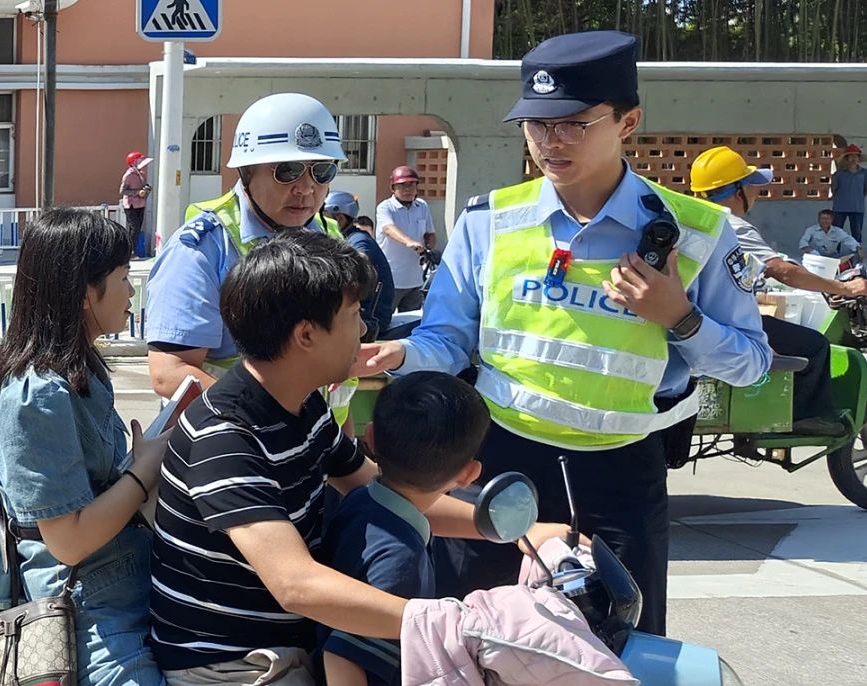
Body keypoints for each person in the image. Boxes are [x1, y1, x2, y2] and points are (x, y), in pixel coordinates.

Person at [352, 30, 771, 636]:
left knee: (620, 649)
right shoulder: (490, 221)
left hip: (621, 475)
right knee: (476, 644)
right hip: (497, 461)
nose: (552, 141)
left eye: (575, 124)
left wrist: (679, 317)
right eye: (537, 124)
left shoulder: (695, 232)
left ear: (628, 122)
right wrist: (398, 353)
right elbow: (449, 339)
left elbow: (752, 364)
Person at [149, 230, 569, 684]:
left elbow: (393, 491)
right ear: (306, 335)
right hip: (233, 663)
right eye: (353, 314)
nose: (365, 330)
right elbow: (295, 584)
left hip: (295, 638)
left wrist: (513, 528)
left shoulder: (302, 403)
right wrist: (456, 623)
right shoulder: (227, 437)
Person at [0, 208, 169, 686]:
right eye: (123, 277)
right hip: (91, 613)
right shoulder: (36, 396)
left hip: (129, 584)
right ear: (86, 292)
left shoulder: (80, 371)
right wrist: (143, 472)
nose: (132, 292)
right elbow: (68, 541)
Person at [143, 93, 356, 419]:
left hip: (318, 441)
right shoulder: (203, 248)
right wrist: (273, 422)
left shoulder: (329, 238)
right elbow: (169, 371)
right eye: (288, 171)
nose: (305, 188)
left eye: (322, 172)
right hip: (234, 441)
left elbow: (336, 391)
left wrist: (340, 444)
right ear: (246, 172)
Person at [319, 371, 486, 686]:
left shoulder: (358, 499)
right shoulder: (400, 558)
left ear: (370, 438)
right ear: (468, 475)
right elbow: (342, 656)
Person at [691, 146, 861, 436]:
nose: (756, 193)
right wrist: (843, 287)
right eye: (751, 185)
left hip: (697, 319)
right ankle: (805, 418)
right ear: (737, 191)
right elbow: (783, 271)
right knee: (814, 345)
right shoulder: (732, 225)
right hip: (726, 324)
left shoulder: (691, 219)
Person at [323, 190, 395, 340]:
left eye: (325, 217)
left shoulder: (358, 240)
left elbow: (360, 262)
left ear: (340, 218)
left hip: (372, 318)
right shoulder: (348, 237)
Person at [375, 166, 436, 312]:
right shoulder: (385, 207)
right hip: (391, 280)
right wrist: (409, 242)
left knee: (410, 321)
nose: (408, 189)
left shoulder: (422, 206)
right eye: (402, 186)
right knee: (383, 320)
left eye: (412, 185)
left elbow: (430, 233)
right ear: (393, 188)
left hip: (416, 280)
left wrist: (429, 247)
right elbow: (388, 229)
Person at [831, 144, 867, 242]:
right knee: (836, 233)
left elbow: (865, 190)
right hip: (840, 208)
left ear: (859, 158)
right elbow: (833, 189)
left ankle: (856, 251)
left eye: (856, 156)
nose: (853, 159)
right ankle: (835, 251)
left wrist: (857, 197)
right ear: (846, 158)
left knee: (857, 234)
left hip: (857, 208)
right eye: (851, 156)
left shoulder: (864, 173)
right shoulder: (838, 174)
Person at [120, 151, 154, 256]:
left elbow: (144, 187)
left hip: (140, 204)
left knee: (137, 228)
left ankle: (131, 250)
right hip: (131, 205)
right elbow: (122, 191)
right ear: (133, 162)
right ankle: (129, 251)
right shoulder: (129, 175)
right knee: (133, 228)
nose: (141, 162)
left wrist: (146, 189)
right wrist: (137, 193)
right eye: (139, 160)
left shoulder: (141, 174)